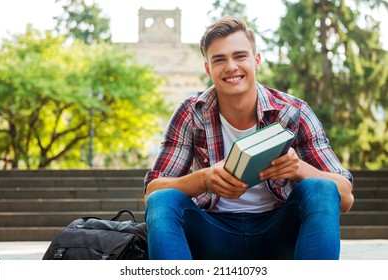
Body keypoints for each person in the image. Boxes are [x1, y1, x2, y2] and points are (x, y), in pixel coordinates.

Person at [143, 16, 354, 260]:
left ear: (256, 60)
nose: (231, 66)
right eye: (219, 59)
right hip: (212, 233)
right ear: (208, 69)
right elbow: (152, 193)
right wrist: (204, 179)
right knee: (163, 199)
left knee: (320, 187)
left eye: (240, 56)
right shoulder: (191, 113)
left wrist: (298, 169)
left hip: (279, 233)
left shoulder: (293, 111)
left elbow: (345, 196)